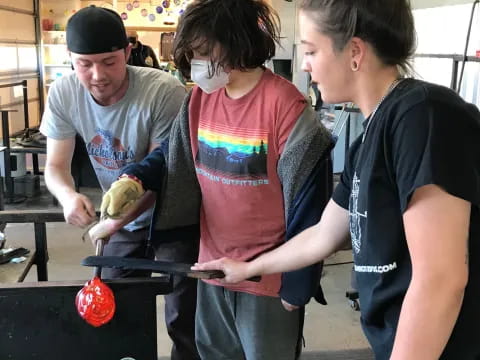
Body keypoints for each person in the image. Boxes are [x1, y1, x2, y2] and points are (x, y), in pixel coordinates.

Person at [193, 0, 480, 359]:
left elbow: (441, 280)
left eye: (312, 50)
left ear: (355, 52)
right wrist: (247, 268)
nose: (304, 64)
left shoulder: (421, 116)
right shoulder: (371, 138)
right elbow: (323, 235)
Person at [93, 0, 334, 359]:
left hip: (267, 278)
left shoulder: (286, 107)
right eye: (192, 53)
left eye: (204, 51)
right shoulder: (200, 100)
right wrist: (134, 180)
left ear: (237, 40)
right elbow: (173, 155)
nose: (197, 63)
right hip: (211, 269)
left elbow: (309, 202)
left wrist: (297, 286)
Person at [39, 6, 200, 360]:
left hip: (175, 213)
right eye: (85, 63)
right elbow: (55, 164)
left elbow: (160, 173)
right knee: (112, 300)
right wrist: (68, 197)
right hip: (119, 219)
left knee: (183, 313)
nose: (97, 74)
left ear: (128, 52)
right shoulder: (64, 93)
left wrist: (112, 222)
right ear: (70, 59)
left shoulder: (163, 91)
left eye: (109, 61)